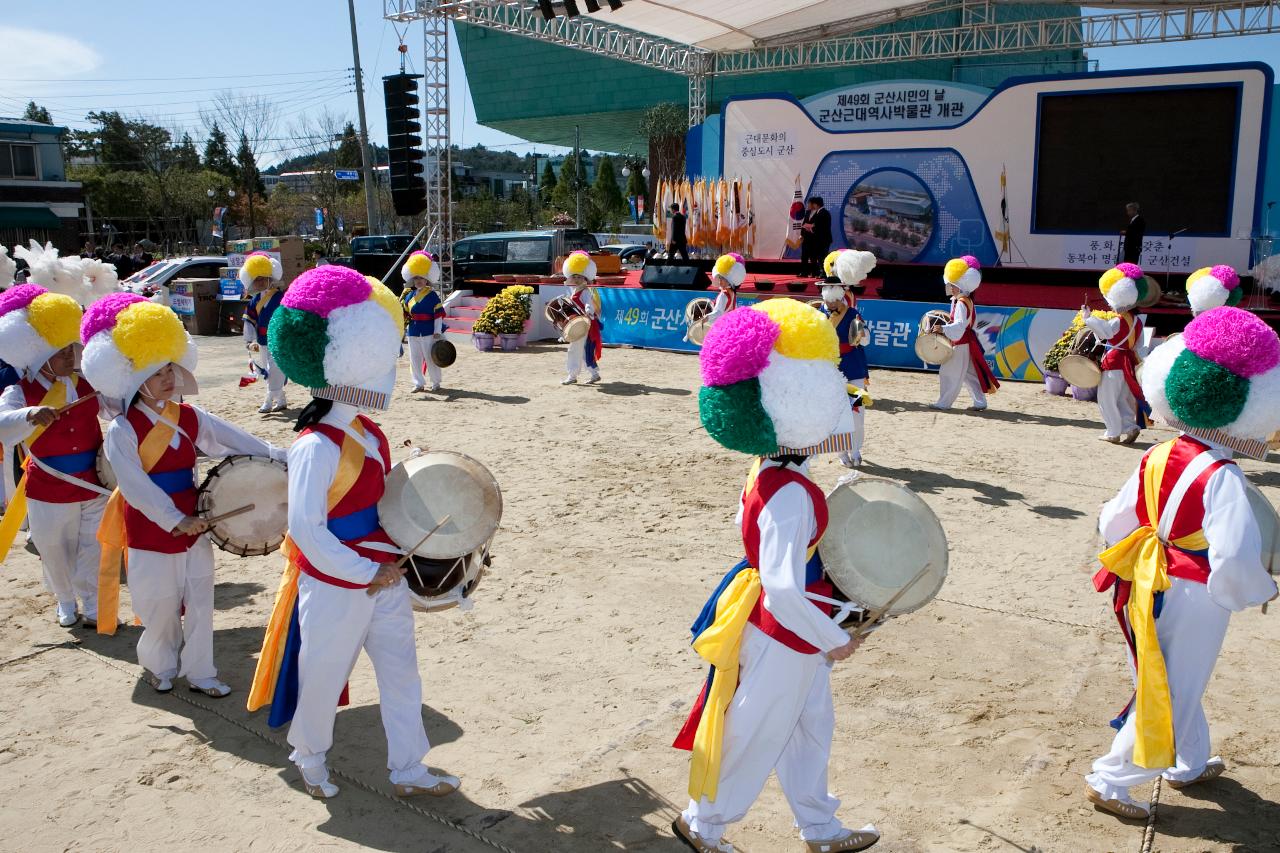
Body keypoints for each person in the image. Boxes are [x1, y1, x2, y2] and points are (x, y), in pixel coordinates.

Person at [672, 298, 879, 853]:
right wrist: (833, 638)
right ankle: (702, 824)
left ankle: (820, 827)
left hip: (779, 627)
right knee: (756, 731)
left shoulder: (770, 466)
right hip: (785, 633)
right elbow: (784, 588)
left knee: (810, 728)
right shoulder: (790, 494)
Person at [247, 266, 459, 802]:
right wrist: (368, 571)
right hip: (341, 580)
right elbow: (306, 531)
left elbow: (380, 506)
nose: (388, 367)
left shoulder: (370, 433)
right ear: (348, 360)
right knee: (323, 673)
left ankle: (408, 767)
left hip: (383, 574)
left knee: (402, 675)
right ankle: (309, 756)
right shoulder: (314, 446)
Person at [1085, 306, 1280, 821]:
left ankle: (1188, 763)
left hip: (1147, 579)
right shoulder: (1223, 474)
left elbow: (1115, 518)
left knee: (1168, 675)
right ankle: (1110, 778)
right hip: (1194, 590)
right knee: (1173, 685)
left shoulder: (1161, 452)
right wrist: (1258, 590)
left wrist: (1134, 557)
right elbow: (1235, 553)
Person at [83, 293, 286, 697]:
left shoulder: (190, 417)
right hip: (150, 527)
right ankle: (160, 666)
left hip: (195, 522)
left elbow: (236, 442)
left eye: (171, 370)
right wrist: (174, 520)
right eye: (159, 373)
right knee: (157, 605)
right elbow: (136, 488)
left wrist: (280, 457)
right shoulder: (123, 430)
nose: (169, 378)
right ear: (136, 379)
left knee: (199, 601)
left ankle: (200, 671)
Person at [0, 285, 111, 628]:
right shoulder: (19, 390)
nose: (69, 355)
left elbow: (114, 410)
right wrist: (29, 415)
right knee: (55, 553)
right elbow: (3, 424)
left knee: (93, 548)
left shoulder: (89, 380)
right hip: (48, 486)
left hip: (94, 484)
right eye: (60, 350)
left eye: (70, 348)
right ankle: (65, 599)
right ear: (38, 354)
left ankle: (93, 606)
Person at [1082, 264, 1152, 444]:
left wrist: (1088, 318)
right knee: (1123, 398)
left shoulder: (1117, 320)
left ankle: (1113, 432)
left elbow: (1105, 332)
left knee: (1107, 398)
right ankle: (1130, 427)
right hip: (1128, 362)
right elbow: (1138, 345)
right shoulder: (1137, 321)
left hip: (1114, 361)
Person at [819, 249, 876, 468]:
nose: (832, 306)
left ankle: (855, 448)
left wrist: (860, 335)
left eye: (835, 302)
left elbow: (866, 339)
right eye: (829, 301)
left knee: (857, 411)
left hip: (853, 367)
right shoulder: (818, 316)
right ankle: (841, 451)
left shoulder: (852, 314)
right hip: (830, 369)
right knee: (836, 413)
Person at [931, 255, 999, 411]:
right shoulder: (965, 300)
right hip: (966, 341)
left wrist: (943, 329)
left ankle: (944, 403)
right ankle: (980, 402)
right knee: (970, 375)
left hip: (960, 342)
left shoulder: (961, 302)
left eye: (953, 285)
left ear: (960, 285)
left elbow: (960, 325)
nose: (950, 287)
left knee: (949, 372)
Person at [240, 251, 288, 413]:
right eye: (257, 279)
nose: (260, 282)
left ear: (270, 278)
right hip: (261, 340)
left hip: (279, 340)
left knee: (274, 368)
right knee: (267, 370)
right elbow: (249, 319)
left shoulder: (281, 297)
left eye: (263, 278)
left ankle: (268, 399)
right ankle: (280, 399)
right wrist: (250, 340)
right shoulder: (254, 300)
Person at [399, 250, 446, 393]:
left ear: (427, 280)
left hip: (428, 331)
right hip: (413, 331)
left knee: (430, 357)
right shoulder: (409, 296)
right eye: (417, 278)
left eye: (422, 278)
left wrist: (437, 331)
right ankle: (418, 383)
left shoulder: (432, 296)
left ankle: (436, 382)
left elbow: (438, 315)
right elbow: (405, 314)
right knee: (414, 359)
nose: (419, 281)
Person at [561, 251, 603, 386]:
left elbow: (588, 305)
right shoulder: (576, 290)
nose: (577, 279)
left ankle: (572, 375)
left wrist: (588, 310)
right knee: (583, 349)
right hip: (580, 323)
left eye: (580, 277)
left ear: (585, 277)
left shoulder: (585, 291)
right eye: (575, 276)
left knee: (575, 349)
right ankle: (594, 373)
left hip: (584, 324)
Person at [800, 197, 832, 278]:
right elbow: (816, 225)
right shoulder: (821, 212)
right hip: (820, 239)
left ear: (816, 204)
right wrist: (812, 227)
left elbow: (820, 226)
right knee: (820, 257)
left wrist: (811, 228)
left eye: (812, 203)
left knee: (822, 257)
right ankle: (822, 273)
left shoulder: (822, 213)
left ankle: (824, 273)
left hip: (823, 239)